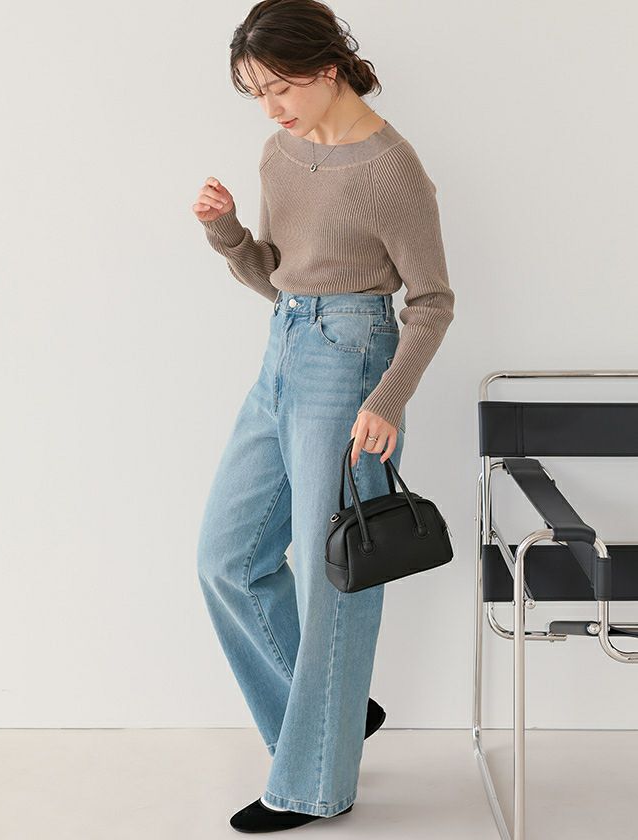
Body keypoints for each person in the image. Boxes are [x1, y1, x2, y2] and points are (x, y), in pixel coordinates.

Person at [192, 0, 455, 832]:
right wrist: (228, 233)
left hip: (352, 360)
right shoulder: (279, 153)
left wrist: (387, 398)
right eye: (257, 94)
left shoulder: (391, 169)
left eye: (280, 87)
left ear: (327, 67)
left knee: (332, 572)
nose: (271, 108)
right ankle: (336, 720)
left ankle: (314, 785)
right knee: (228, 558)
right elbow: (277, 278)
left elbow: (433, 302)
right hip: (284, 348)